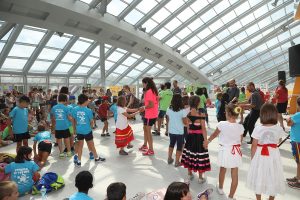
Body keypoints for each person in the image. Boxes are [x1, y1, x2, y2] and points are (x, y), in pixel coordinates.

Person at [246, 103, 285, 200]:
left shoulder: (258, 128)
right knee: (273, 176)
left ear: (262, 115)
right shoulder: (278, 128)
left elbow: (254, 145)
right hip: (273, 156)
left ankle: (258, 198)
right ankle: (271, 198)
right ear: (275, 114)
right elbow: (279, 140)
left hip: (260, 156)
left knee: (259, 176)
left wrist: (253, 158)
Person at [208, 104, 244, 200]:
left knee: (222, 170)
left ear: (228, 114)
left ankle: (220, 188)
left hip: (224, 151)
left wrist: (208, 141)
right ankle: (231, 197)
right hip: (235, 151)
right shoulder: (240, 127)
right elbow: (240, 141)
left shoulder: (222, 124)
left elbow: (214, 134)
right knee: (235, 174)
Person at [181, 96, 210, 183]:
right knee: (200, 156)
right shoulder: (201, 115)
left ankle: (190, 174)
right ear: (198, 103)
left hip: (190, 138)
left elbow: (188, 128)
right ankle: (200, 178)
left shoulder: (188, 115)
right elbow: (203, 129)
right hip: (199, 138)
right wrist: (205, 140)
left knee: (190, 155)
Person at [72, 94, 105, 167]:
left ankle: (79, 161)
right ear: (85, 101)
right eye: (87, 100)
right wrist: (91, 128)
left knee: (80, 146)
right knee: (91, 145)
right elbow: (91, 121)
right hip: (87, 131)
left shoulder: (74, 109)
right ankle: (97, 158)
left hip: (79, 131)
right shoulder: (88, 110)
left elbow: (74, 120)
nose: (88, 101)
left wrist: (74, 130)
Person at [166, 94, 187, 167]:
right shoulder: (183, 110)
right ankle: (177, 162)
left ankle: (169, 158)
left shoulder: (169, 108)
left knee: (171, 144)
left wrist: (167, 129)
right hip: (179, 132)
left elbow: (167, 119)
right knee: (179, 147)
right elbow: (185, 122)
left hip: (171, 130)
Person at [139, 77, 159, 156]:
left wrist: (144, 107)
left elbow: (151, 104)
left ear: (146, 83)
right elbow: (156, 101)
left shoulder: (149, 92)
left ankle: (151, 149)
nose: (142, 85)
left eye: (143, 83)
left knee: (148, 132)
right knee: (145, 129)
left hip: (149, 115)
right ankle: (145, 145)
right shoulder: (153, 91)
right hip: (153, 114)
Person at [51, 93, 72, 158]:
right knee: (67, 139)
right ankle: (69, 152)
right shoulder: (66, 108)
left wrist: (53, 128)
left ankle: (61, 153)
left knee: (59, 140)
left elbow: (53, 118)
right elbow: (69, 118)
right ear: (65, 100)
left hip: (58, 127)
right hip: (65, 126)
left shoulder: (54, 107)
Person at [286, 97, 300, 189]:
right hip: (297, 140)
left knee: (299, 161)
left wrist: (288, 118)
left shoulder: (298, 115)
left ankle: (299, 181)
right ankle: (298, 177)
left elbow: (289, 123)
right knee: (298, 161)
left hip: (297, 141)